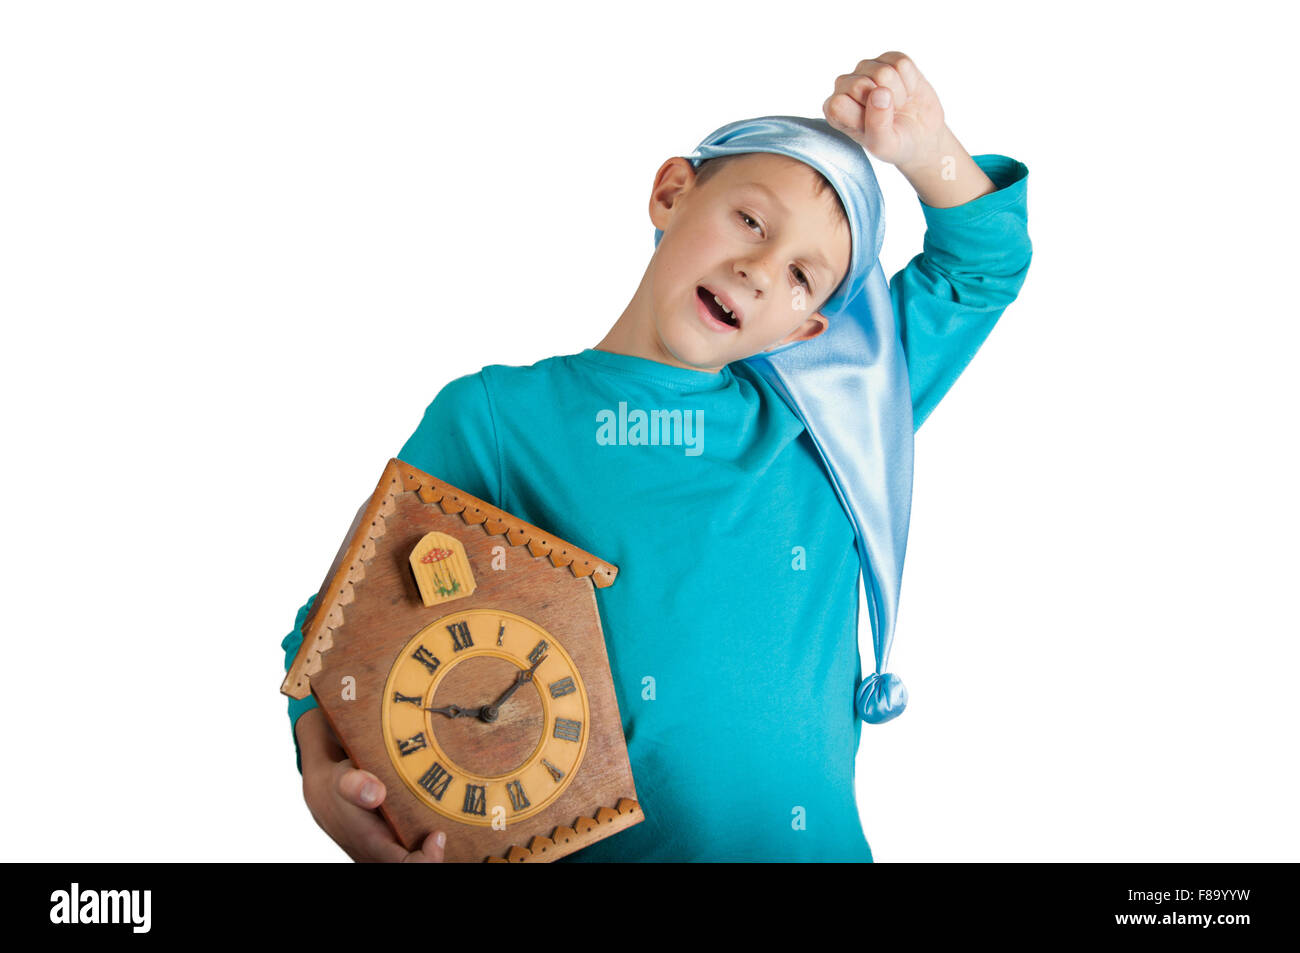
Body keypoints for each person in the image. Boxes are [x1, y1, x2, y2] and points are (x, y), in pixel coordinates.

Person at [282, 52, 1032, 862]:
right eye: (751, 220)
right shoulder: (501, 418)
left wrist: (927, 148)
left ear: (807, 329)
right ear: (672, 192)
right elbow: (344, 625)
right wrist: (321, 771)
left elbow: (982, 266)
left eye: (801, 276)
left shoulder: (832, 422)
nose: (758, 268)